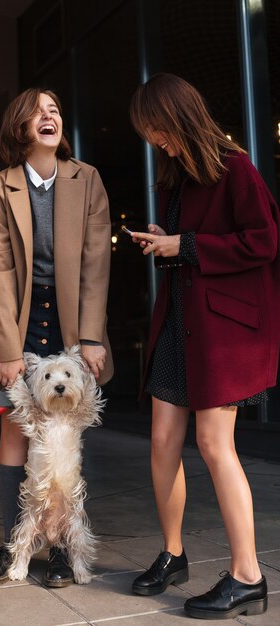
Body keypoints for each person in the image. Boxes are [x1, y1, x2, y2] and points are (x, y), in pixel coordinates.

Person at [128, 73, 280, 620]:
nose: (155, 141)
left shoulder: (233, 167)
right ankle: (173, 554)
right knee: (162, 440)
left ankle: (248, 577)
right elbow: (188, 249)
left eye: (158, 129)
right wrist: (165, 244)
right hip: (179, 322)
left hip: (224, 330)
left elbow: (263, 241)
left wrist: (185, 244)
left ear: (180, 118)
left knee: (216, 445)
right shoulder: (175, 178)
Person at [0, 87, 113, 588]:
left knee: (66, 432)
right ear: (21, 128)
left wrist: (93, 336)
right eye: (37, 112)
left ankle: (58, 550)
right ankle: (14, 545)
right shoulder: (1, 186)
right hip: (21, 321)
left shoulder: (88, 179)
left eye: (54, 109)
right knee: (16, 430)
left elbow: (98, 262)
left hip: (75, 322)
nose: (48, 117)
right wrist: (9, 349)